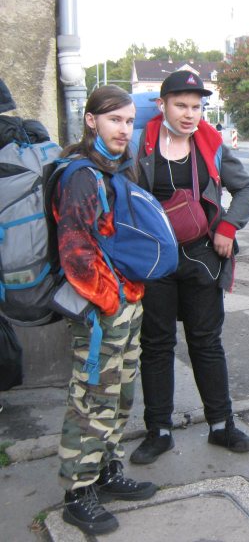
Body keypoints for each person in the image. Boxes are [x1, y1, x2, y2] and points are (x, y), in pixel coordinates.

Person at [130, 71, 249, 464]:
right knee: (156, 344)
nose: (189, 114)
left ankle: (221, 425)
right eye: (181, 105)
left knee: (206, 342)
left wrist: (228, 226)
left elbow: (246, 188)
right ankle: (159, 431)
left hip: (201, 256)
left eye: (196, 107)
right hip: (154, 260)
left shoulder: (211, 144)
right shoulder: (140, 145)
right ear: (162, 105)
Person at [54, 85, 157, 535]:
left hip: (126, 302)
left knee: (120, 394)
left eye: (130, 121)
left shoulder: (116, 167)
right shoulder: (82, 175)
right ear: (91, 120)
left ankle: (107, 471)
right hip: (102, 311)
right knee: (92, 398)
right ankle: (77, 493)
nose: (124, 129)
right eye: (115, 119)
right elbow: (75, 254)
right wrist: (111, 301)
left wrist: (129, 294)